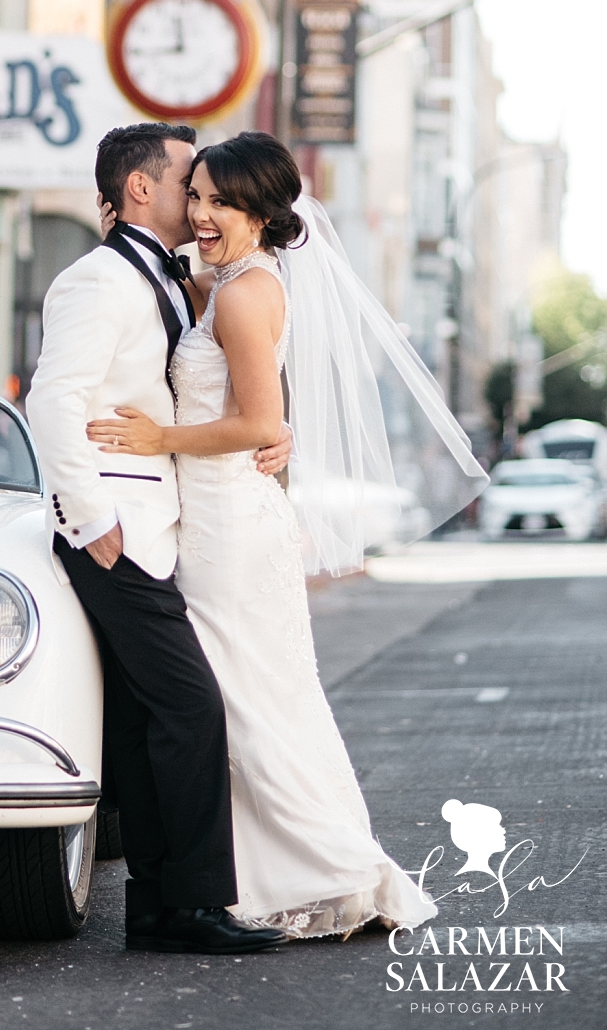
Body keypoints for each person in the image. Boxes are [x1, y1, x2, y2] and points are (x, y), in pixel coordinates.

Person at [90, 131, 485, 937]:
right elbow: (263, 408)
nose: (200, 212)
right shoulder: (228, 280)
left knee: (242, 704)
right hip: (216, 513)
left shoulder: (240, 292)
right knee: (249, 701)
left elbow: (255, 419)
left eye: (220, 202)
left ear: (263, 213)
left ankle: (315, 866)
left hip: (228, 528)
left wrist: (162, 439)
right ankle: (257, 876)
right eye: (194, 194)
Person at [25, 123, 293, 955]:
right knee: (190, 705)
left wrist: (271, 433)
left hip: (165, 524)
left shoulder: (182, 280)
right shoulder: (99, 280)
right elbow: (53, 400)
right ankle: (197, 902)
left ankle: (154, 905)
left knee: (146, 719)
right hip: (116, 530)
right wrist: (92, 521)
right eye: (189, 180)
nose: (200, 196)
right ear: (141, 188)